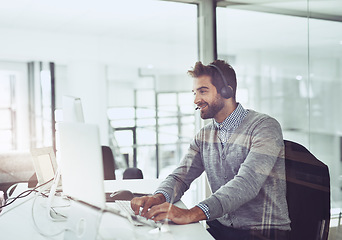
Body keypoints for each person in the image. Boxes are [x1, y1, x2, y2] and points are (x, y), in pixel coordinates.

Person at [131, 60, 291, 240]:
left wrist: (192, 213)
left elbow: (247, 183)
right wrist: (159, 198)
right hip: (221, 229)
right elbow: (180, 177)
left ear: (226, 91)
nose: (196, 100)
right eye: (194, 92)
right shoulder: (204, 136)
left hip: (262, 233)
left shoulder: (264, 127)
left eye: (203, 91)